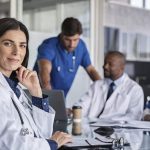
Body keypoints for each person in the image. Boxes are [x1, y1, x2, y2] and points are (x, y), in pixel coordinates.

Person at [0, 18, 72, 150]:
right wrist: (52, 144)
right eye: (8, 44)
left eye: (22, 45)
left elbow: (41, 133)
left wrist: (36, 92)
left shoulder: (14, 88)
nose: (17, 52)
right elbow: (7, 142)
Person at [33, 17, 100, 97]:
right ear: (62, 35)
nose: (72, 44)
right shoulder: (49, 46)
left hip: (60, 98)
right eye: (68, 40)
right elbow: (44, 71)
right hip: (40, 96)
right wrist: (50, 99)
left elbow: (91, 70)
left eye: (75, 40)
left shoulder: (81, 46)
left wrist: (104, 88)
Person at [73, 51, 144, 121]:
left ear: (122, 68)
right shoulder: (96, 85)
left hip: (119, 130)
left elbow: (134, 116)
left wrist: (107, 121)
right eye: (105, 63)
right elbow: (82, 106)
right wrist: (72, 111)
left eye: (110, 64)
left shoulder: (135, 89)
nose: (105, 66)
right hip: (92, 128)